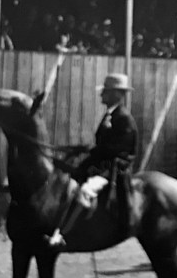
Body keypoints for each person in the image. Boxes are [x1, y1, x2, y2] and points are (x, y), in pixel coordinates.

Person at [49, 73, 137, 248]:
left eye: (106, 92)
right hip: (101, 164)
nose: (101, 95)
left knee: (84, 191)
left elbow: (120, 149)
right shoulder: (110, 115)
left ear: (117, 95)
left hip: (115, 168)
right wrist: (81, 149)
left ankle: (64, 235)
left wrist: (92, 150)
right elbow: (103, 144)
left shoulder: (124, 118)